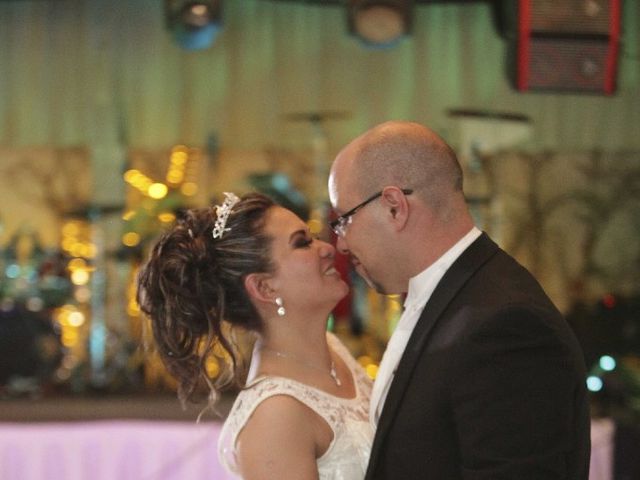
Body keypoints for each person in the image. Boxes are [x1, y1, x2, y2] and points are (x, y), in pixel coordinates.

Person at [328, 121, 591, 479]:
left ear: (394, 207)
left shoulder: (505, 325)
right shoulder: (457, 298)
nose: (340, 243)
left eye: (344, 220)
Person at [136, 192, 373, 480]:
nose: (326, 248)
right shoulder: (275, 416)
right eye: (302, 243)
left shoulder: (334, 350)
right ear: (264, 288)